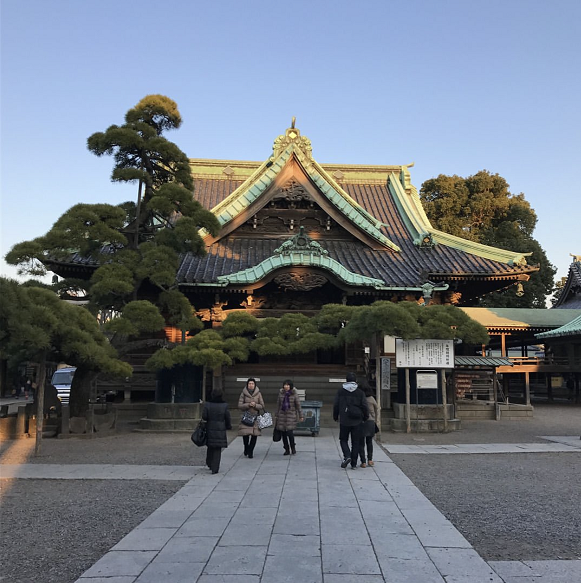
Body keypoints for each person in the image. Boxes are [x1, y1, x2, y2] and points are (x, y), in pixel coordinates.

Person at [333, 371, 369, 469]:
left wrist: (335, 416)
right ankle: (353, 463)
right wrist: (365, 417)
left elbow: (336, 405)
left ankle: (347, 456)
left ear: (346, 380)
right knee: (356, 442)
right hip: (357, 420)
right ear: (355, 381)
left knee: (343, 439)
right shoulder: (360, 392)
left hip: (344, 420)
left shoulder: (340, 391)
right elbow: (365, 406)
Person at [201, 388, 232, 474]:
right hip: (220, 428)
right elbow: (227, 417)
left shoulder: (208, 405)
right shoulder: (224, 405)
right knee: (218, 448)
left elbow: (204, 416)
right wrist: (228, 426)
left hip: (210, 427)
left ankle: (209, 462)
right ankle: (215, 467)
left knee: (210, 445)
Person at [274, 379, 304, 455]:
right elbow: (278, 405)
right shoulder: (281, 394)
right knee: (283, 434)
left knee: (290, 433)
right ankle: (286, 449)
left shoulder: (294, 395)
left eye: (288, 385)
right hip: (282, 416)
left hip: (291, 416)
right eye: (285, 385)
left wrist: (301, 415)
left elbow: (298, 406)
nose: (286, 387)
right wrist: (276, 414)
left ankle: (293, 447)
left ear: (290, 386)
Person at [238, 378, 265, 459]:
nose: (251, 385)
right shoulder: (243, 394)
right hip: (246, 417)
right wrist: (248, 405)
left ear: (255, 385)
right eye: (249, 383)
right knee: (245, 435)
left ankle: (251, 451)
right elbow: (240, 405)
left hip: (255, 417)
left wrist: (255, 405)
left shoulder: (259, 394)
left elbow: (262, 405)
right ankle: (246, 448)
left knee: (254, 435)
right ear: (247, 385)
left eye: (252, 384)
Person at [358, 380, 379, 468]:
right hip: (370, 421)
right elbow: (376, 409)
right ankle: (370, 459)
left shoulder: (359, 398)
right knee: (369, 442)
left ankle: (363, 461)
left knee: (361, 442)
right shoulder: (371, 398)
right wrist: (375, 419)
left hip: (361, 421)